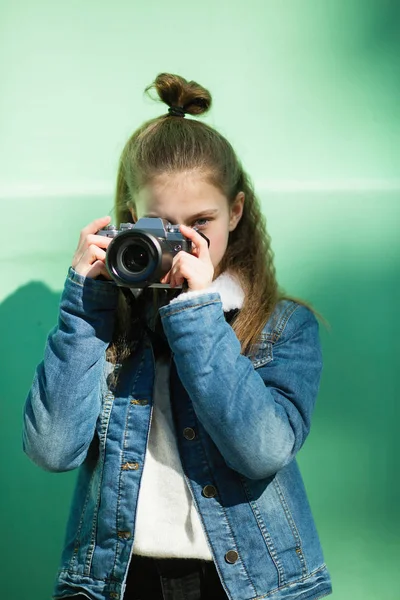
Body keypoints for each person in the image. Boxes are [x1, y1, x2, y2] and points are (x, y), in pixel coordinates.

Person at [22, 72, 333, 600]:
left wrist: (196, 312)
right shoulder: (107, 324)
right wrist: (85, 304)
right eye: (161, 225)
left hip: (248, 585)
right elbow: (52, 450)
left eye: (200, 224)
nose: (181, 245)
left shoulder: (283, 326)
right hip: (117, 582)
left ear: (235, 213)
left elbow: (260, 452)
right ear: (129, 221)